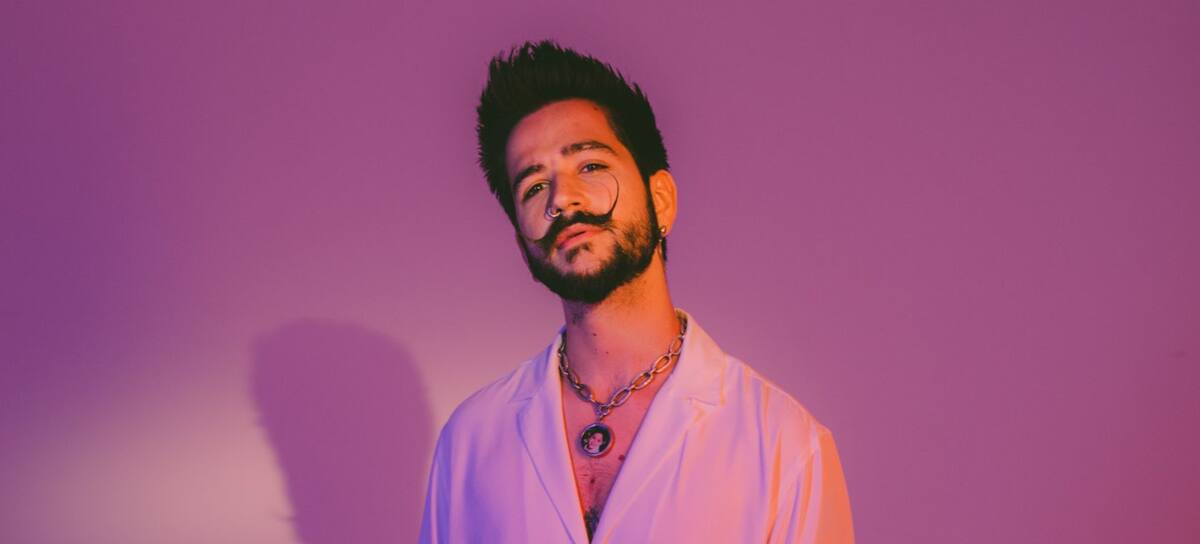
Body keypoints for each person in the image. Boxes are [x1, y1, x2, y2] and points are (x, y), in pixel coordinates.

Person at [419, 40, 854, 543]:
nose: (562, 199)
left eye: (590, 166)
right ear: (523, 244)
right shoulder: (470, 441)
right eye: (534, 187)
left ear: (660, 200)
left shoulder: (784, 444)